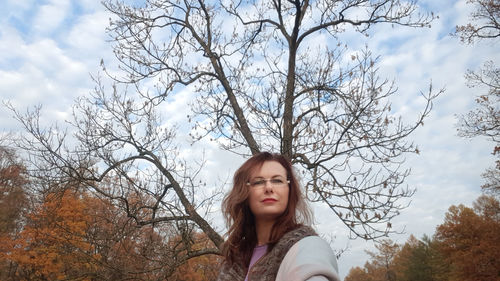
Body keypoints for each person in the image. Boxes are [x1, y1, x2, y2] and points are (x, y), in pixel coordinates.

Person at [217, 152, 340, 281]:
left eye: (277, 180)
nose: (269, 188)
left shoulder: (307, 248)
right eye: (258, 182)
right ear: (245, 193)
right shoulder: (235, 258)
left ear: (289, 190)